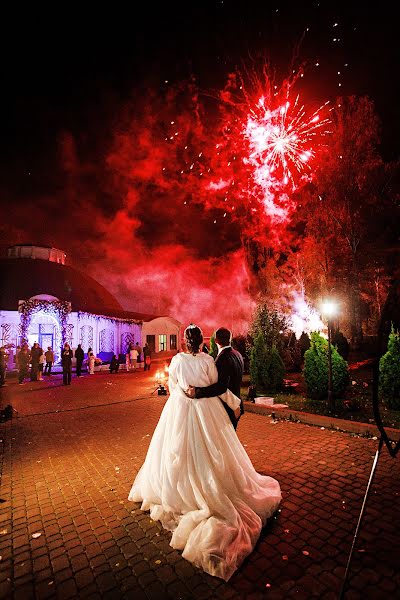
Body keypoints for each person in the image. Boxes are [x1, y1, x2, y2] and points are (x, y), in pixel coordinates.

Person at [128, 324, 281, 582]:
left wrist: (185, 394)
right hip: (207, 409)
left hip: (180, 407)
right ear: (202, 342)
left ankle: (183, 488)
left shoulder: (176, 360)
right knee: (215, 448)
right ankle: (212, 482)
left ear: (185, 342)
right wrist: (232, 405)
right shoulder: (209, 360)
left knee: (177, 449)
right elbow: (215, 385)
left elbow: (173, 384)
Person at [187, 327, 244, 430]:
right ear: (230, 339)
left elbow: (220, 387)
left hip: (228, 406)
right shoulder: (237, 354)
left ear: (215, 340)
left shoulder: (222, 359)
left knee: (225, 440)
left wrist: (198, 392)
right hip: (237, 402)